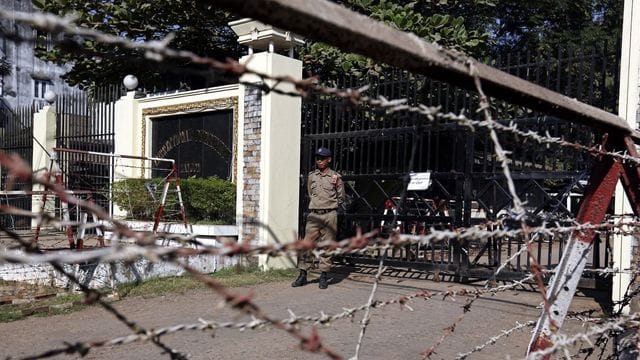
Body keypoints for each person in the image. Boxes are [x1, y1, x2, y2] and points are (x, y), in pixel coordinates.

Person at [292, 147, 344, 289]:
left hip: (330, 215)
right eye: (317, 158)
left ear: (329, 160)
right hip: (314, 214)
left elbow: (341, 197)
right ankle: (303, 274)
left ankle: (324, 276)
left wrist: (330, 206)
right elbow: (310, 193)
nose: (319, 160)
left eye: (322, 158)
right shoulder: (312, 176)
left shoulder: (335, 177)